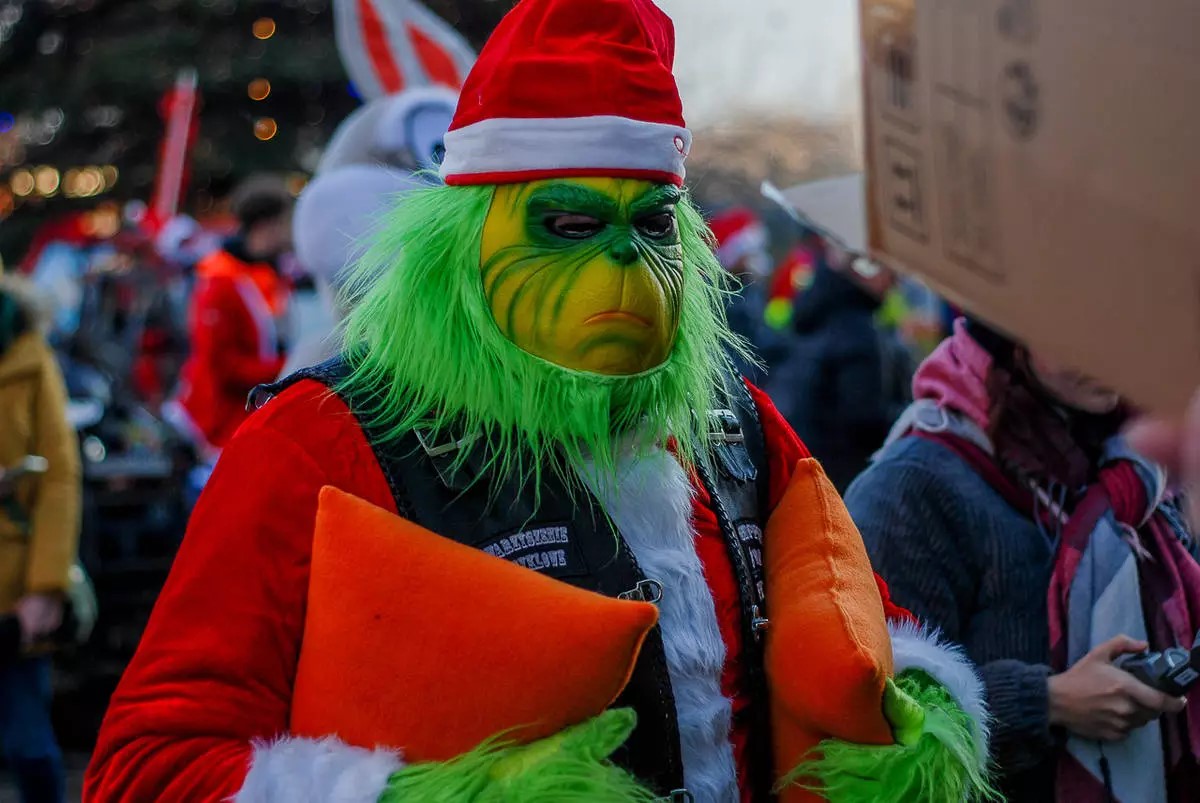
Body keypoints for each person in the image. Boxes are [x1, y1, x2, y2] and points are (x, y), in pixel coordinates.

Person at [85, 3, 993, 802]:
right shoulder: (324, 437)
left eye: (652, 225)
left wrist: (918, 713)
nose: (624, 265)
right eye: (568, 226)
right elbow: (146, 765)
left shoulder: (734, 424)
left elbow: (864, 623)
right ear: (468, 244)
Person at [846, 318, 1200, 802]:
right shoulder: (910, 487)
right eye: (1068, 326)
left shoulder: (1139, 469)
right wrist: (1048, 702)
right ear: (1005, 336)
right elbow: (877, 713)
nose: (1102, 353)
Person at [0, 272, 81, 803]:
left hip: (13, 594)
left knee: (31, 750)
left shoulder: (28, 351)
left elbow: (58, 476)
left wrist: (46, 585)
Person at [164, 176, 294, 457]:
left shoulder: (267, 272)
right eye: (285, 223)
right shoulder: (220, 279)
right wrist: (291, 369)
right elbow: (223, 366)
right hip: (219, 425)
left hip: (248, 416)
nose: (290, 233)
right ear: (265, 226)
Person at [773, 235, 899, 491]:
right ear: (864, 268)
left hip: (806, 471)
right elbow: (864, 417)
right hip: (844, 480)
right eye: (887, 269)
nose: (895, 281)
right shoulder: (859, 331)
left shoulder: (817, 312)